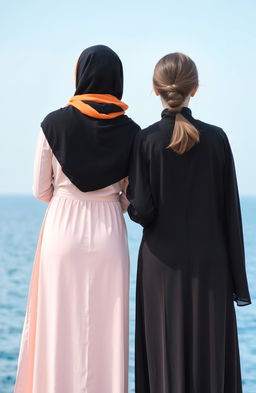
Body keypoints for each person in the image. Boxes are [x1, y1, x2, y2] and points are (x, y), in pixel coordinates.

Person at [13, 45, 140, 393]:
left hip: (63, 227)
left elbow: (41, 190)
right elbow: (131, 199)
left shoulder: (53, 123)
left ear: (79, 75)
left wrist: (69, 196)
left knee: (57, 326)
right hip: (109, 230)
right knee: (106, 329)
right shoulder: (132, 131)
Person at [126, 52, 251, 393]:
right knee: (210, 360)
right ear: (195, 89)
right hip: (211, 267)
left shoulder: (145, 140)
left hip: (160, 267)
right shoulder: (218, 139)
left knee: (163, 356)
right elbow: (231, 215)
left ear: (156, 90)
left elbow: (143, 212)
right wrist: (238, 282)